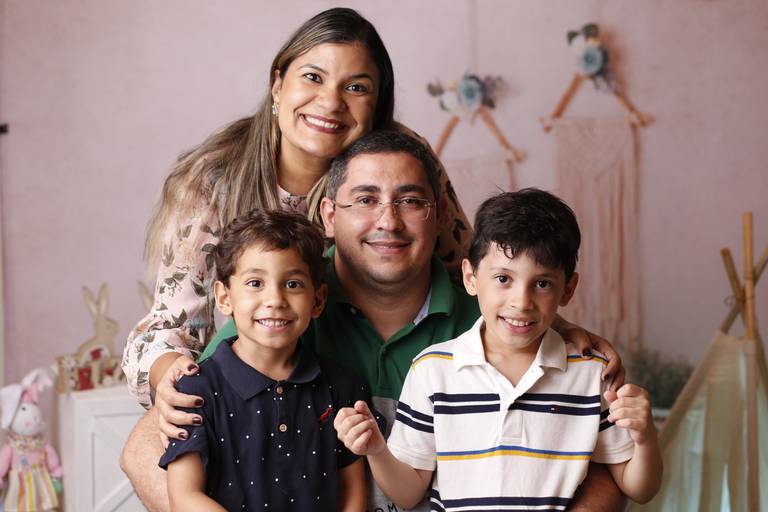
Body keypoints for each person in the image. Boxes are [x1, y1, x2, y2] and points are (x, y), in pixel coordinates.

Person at [184, 132, 626, 511]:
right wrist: (169, 378)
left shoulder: (500, 321)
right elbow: (172, 437)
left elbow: (605, 468)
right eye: (365, 199)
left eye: (410, 201)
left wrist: (564, 330)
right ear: (330, 216)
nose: (389, 221)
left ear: (439, 215)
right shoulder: (275, 312)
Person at [335, 188, 663, 510]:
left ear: (568, 289)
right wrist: (377, 450)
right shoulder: (433, 370)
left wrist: (645, 436)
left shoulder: (591, 374)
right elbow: (407, 495)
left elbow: (640, 488)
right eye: (503, 279)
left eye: (542, 283)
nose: (521, 302)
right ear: (471, 277)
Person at [159, 208, 369, 510]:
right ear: (224, 298)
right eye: (255, 283)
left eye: (293, 284)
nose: (275, 300)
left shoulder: (342, 386)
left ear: (318, 299)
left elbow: (352, 492)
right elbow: (184, 496)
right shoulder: (194, 390)